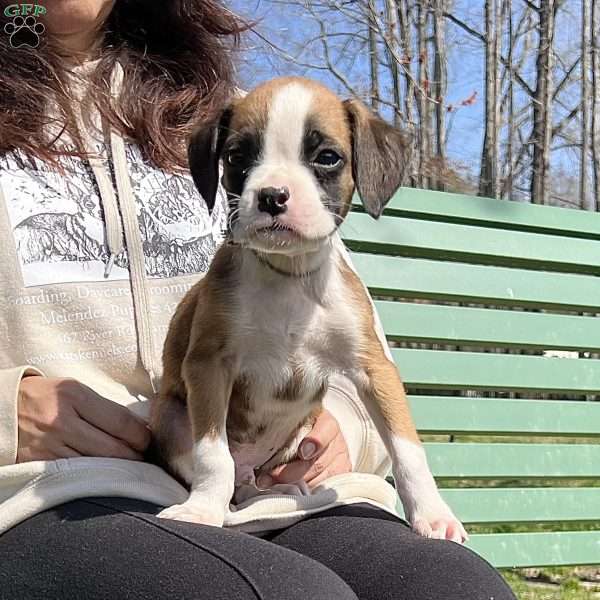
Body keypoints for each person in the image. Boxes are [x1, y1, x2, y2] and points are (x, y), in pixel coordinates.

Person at [0, 1, 516, 598]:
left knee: (449, 587)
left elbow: (356, 352)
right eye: (241, 164)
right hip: (54, 489)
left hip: (277, 484)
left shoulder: (237, 105)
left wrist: (343, 428)